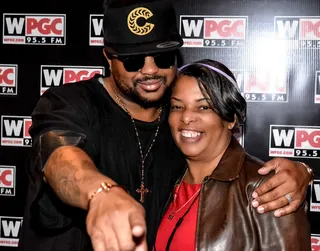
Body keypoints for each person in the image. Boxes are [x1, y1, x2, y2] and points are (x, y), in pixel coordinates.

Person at [17, 0, 313, 251]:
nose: (150, 70)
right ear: (108, 57)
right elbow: (61, 157)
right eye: (133, 60)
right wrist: (100, 193)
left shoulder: (178, 127)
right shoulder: (69, 103)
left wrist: (302, 172)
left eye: (161, 56)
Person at [154, 59, 311, 251]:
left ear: (230, 119)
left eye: (203, 107)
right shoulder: (168, 177)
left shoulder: (266, 188)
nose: (186, 117)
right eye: (177, 106)